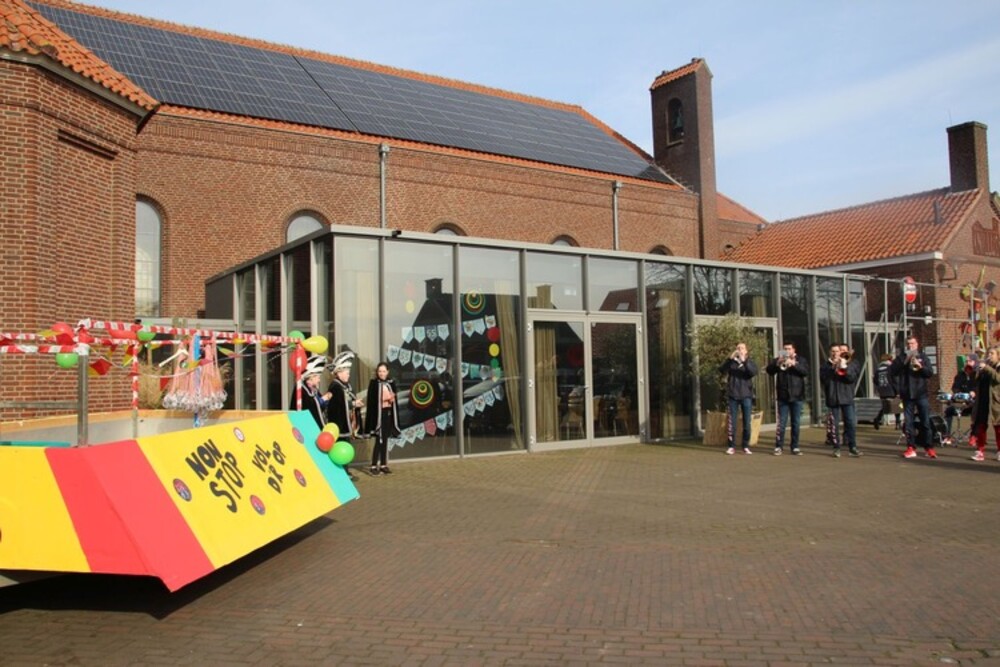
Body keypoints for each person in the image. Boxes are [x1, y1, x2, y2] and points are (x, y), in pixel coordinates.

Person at [890, 336, 937, 459]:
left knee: (925, 421)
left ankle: (929, 447)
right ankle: (911, 447)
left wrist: (920, 367)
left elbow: (929, 373)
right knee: (909, 422)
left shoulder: (923, 357)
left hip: (921, 394)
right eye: (909, 344)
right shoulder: (901, 358)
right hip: (907, 394)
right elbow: (893, 371)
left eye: (913, 343)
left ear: (917, 344)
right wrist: (905, 361)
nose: (911, 346)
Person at [766, 341, 809, 455]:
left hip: (797, 395)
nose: (787, 351)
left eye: (789, 349)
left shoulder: (801, 360)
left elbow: (805, 371)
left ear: (794, 350)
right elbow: (769, 371)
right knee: (782, 423)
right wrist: (777, 363)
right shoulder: (779, 359)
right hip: (783, 396)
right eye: (785, 349)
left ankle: (795, 446)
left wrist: (794, 364)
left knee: (796, 423)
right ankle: (778, 446)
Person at [819, 343, 861, 458]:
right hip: (833, 398)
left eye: (837, 351)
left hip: (847, 397)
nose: (835, 353)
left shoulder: (849, 363)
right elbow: (824, 381)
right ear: (830, 352)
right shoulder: (825, 366)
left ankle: (852, 447)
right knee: (834, 425)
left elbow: (851, 379)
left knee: (850, 423)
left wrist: (844, 367)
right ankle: (836, 447)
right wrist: (833, 369)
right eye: (833, 351)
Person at [326, 351, 362, 481]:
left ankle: (345, 471)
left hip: (346, 423)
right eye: (346, 372)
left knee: (346, 447)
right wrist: (353, 404)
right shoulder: (335, 386)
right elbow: (338, 405)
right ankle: (341, 473)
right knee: (340, 448)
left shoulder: (345, 385)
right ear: (339, 372)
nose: (348, 374)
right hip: (339, 425)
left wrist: (355, 404)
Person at [719, 342, 758, 455]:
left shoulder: (750, 362)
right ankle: (731, 446)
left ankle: (745, 445)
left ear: (746, 351)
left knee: (747, 423)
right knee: (732, 423)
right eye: (738, 348)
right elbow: (721, 370)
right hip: (733, 395)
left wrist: (744, 361)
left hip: (746, 396)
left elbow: (752, 372)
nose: (740, 350)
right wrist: (729, 358)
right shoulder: (732, 363)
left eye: (742, 348)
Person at [363, 362, 400, 475]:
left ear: (387, 372)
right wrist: (385, 398)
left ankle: (383, 464)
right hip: (378, 415)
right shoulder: (374, 383)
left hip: (387, 414)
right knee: (379, 440)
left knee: (385, 439)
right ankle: (374, 465)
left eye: (384, 371)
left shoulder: (391, 382)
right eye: (380, 371)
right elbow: (372, 400)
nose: (382, 373)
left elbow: (394, 398)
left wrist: (392, 398)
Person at [969, 347, 1000, 461]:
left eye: (992, 353)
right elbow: (975, 380)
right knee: (980, 426)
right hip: (983, 399)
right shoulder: (985, 366)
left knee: (998, 427)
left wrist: (987, 368)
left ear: (998, 356)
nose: (989, 355)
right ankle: (980, 451)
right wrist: (976, 370)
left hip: (996, 401)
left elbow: (998, 378)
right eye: (988, 353)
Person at [289, 355, 331, 429]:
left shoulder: (313, 389)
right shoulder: (301, 389)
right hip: (305, 429)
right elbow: (311, 409)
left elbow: (319, 408)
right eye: (318, 377)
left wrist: (325, 400)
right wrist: (323, 400)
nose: (319, 380)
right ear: (311, 377)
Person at [943, 354, 977, 444]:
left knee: (976, 411)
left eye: (970, 361)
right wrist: (958, 394)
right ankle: (947, 435)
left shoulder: (977, 375)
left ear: (975, 362)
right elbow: (954, 388)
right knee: (948, 410)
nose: (967, 363)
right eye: (966, 361)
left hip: (973, 403)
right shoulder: (959, 375)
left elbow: (980, 387)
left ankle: (974, 435)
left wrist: (974, 392)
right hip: (960, 403)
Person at [874, 353, 901, 430]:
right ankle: (898, 423)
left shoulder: (878, 370)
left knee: (885, 407)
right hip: (891, 390)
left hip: (882, 391)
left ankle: (877, 419)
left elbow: (875, 380)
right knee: (897, 406)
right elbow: (894, 380)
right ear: (889, 360)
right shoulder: (890, 368)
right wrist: (898, 391)